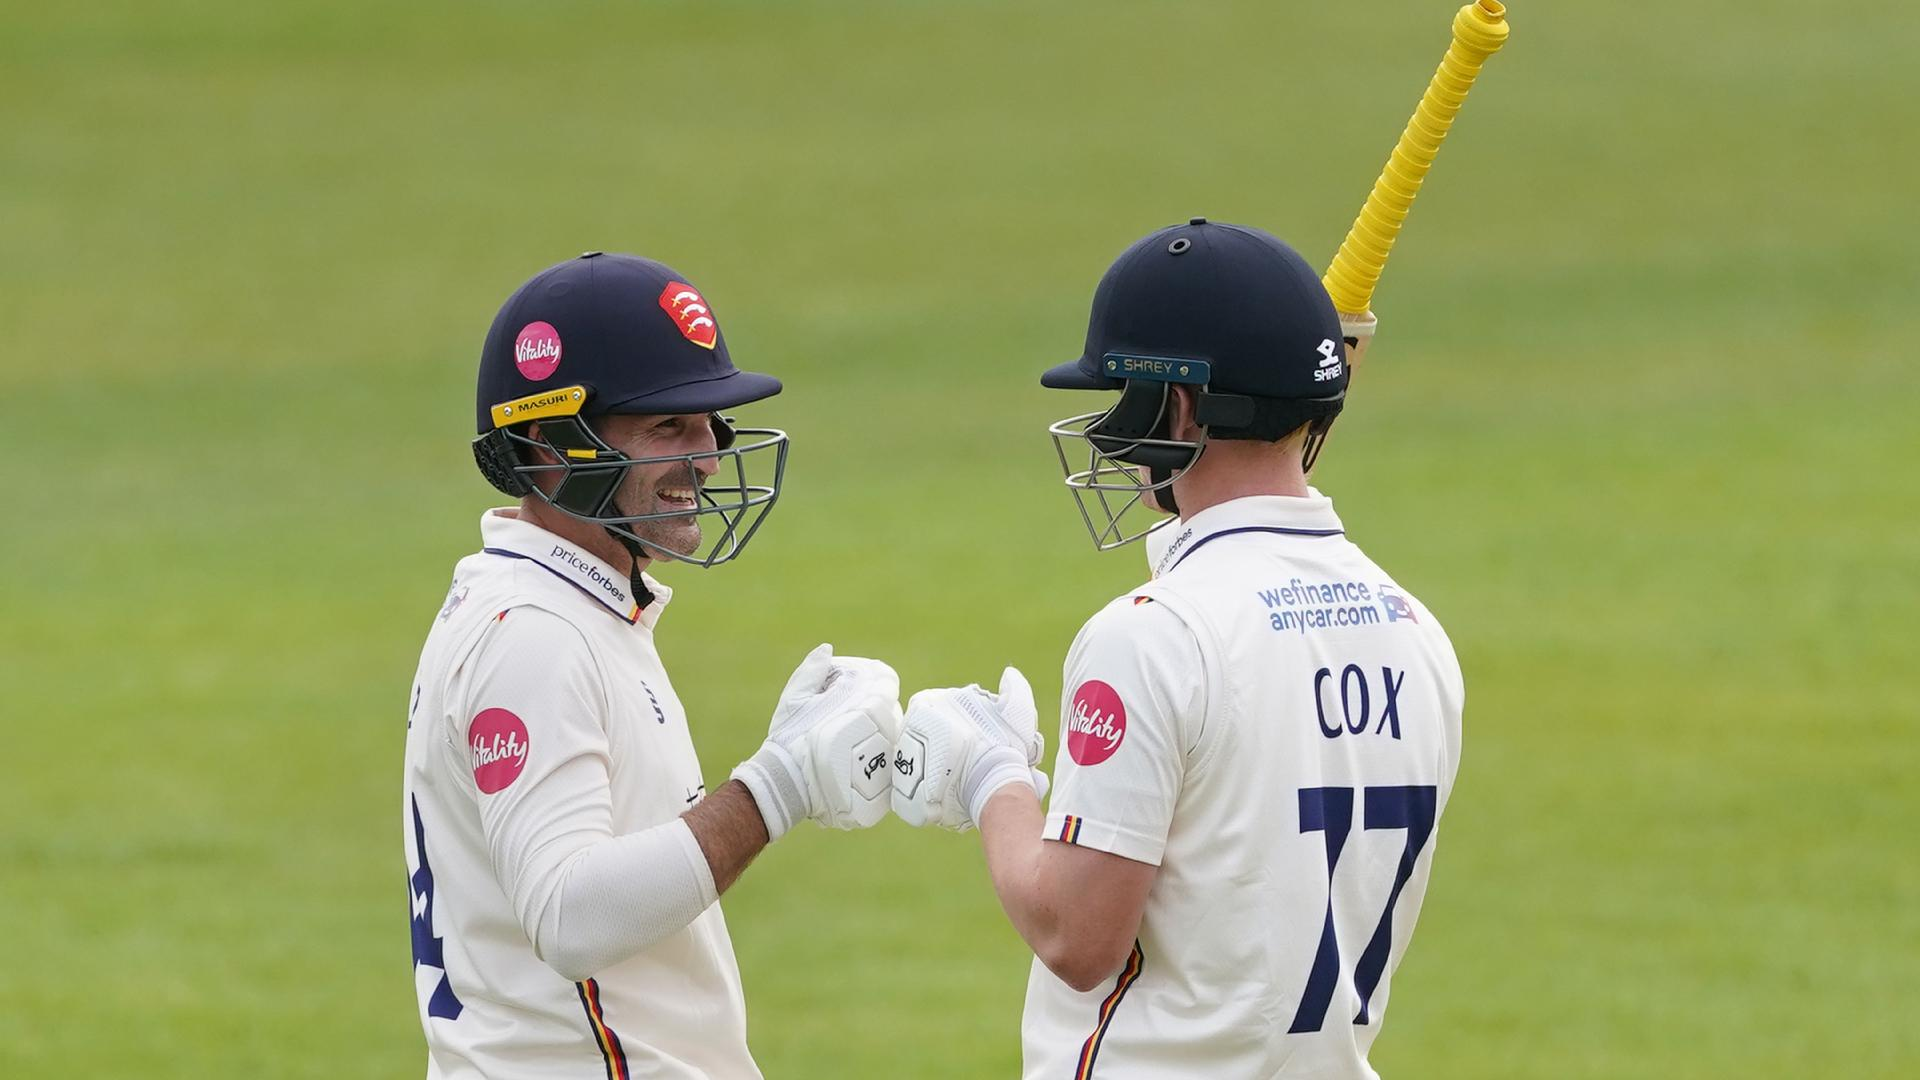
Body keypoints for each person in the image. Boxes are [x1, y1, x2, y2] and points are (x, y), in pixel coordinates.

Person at [891, 220, 1466, 1078]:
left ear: (1183, 405)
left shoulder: (1153, 635)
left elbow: (1076, 936)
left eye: (1123, 391)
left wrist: (992, 778)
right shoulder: (1416, 629)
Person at [403, 252, 899, 1079]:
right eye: (668, 426)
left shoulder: (576, 606)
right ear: (549, 441)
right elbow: (569, 916)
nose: (706, 457)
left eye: (707, 421)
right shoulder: (532, 633)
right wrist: (778, 785)